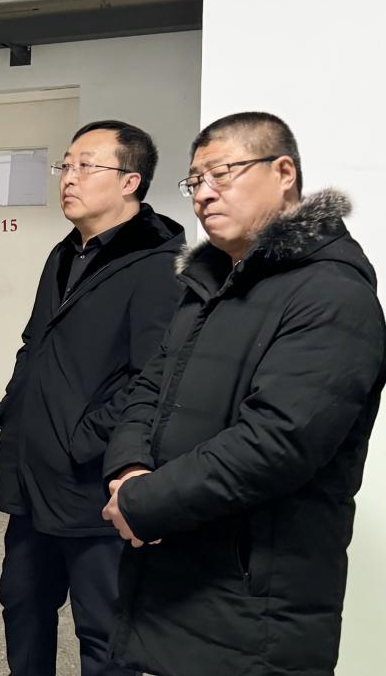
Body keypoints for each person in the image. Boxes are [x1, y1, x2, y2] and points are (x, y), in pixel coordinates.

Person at [101, 112, 386, 675]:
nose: (203, 194)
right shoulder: (209, 286)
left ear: (284, 173)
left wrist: (143, 503)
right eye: (195, 180)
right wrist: (130, 467)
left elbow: (277, 442)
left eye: (223, 173)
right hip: (174, 572)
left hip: (256, 599)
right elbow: (151, 387)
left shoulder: (332, 294)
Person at [0, 121, 185, 676]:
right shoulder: (66, 253)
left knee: (102, 630)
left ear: (130, 181)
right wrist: (14, 412)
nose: (68, 178)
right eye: (66, 165)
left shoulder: (160, 263)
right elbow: (34, 343)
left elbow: (155, 378)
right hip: (34, 475)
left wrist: (85, 439)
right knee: (22, 607)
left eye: (85, 166)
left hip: (93, 483)